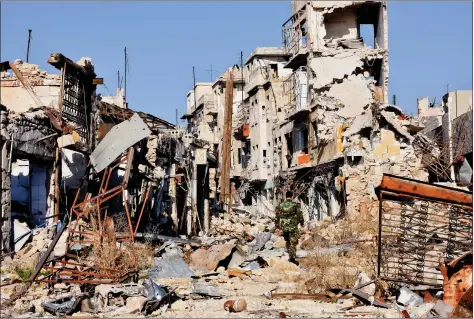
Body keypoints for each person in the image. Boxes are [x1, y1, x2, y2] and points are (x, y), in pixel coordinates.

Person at [274, 191, 304, 265]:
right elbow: (300, 215)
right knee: (293, 242)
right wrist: (302, 223)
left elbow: (277, 216)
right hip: (293, 227)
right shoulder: (295, 205)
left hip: (284, 227)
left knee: (288, 241)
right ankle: (292, 258)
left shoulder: (280, 205)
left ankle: (290, 254)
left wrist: (277, 227)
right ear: (292, 196)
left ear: (285, 196)